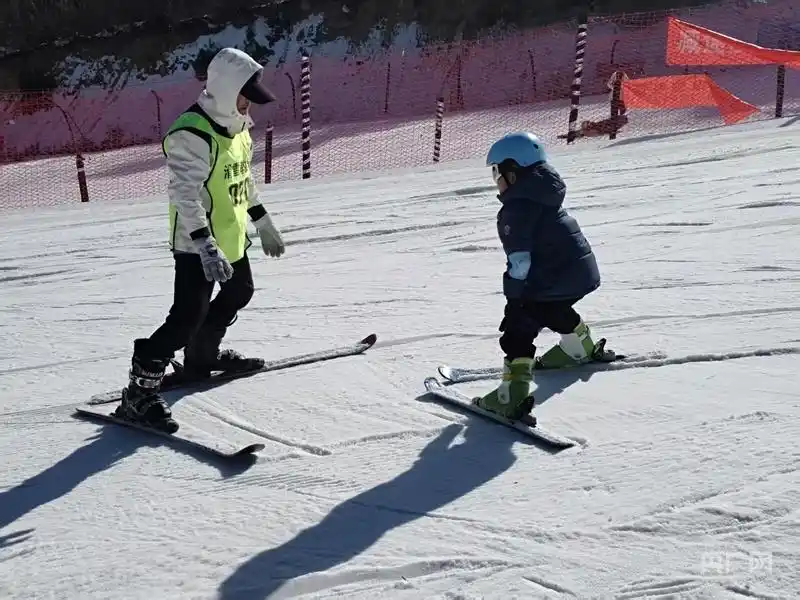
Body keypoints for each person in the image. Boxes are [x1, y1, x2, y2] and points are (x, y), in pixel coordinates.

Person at [115, 47, 286, 433]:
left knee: (239, 290)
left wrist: (263, 222)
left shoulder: (240, 128)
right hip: (197, 244)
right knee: (184, 318)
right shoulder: (192, 133)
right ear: (226, 90)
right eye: (245, 96)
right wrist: (205, 246)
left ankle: (201, 356)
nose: (248, 104)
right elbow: (185, 195)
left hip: (231, 235)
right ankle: (137, 394)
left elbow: (243, 182)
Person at [476, 132, 615, 421]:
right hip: (580, 272)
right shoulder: (544, 194)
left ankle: (511, 394)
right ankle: (579, 347)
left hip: (553, 275)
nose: (496, 180)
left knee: (520, 324)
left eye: (496, 172)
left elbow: (520, 261)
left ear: (513, 172)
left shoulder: (516, 209)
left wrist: (514, 299)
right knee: (553, 307)